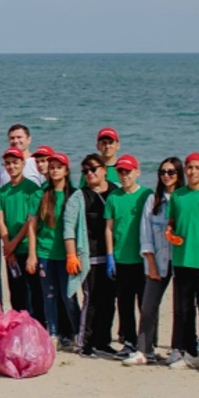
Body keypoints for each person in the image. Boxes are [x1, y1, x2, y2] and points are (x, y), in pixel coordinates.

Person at [122, 157, 182, 367]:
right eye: (163, 172)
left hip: (182, 259)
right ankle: (144, 350)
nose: (166, 176)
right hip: (158, 259)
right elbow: (145, 233)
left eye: (171, 172)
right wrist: (151, 261)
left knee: (181, 307)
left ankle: (177, 350)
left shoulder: (183, 198)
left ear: (179, 174)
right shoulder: (153, 200)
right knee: (148, 306)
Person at [166, 152, 199, 374]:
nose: (193, 172)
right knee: (184, 310)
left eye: (198, 168)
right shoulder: (178, 196)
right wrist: (169, 233)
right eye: (189, 167)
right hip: (182, 261)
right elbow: (171, 223)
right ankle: (189, 353)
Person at [66, 153, 119, 357]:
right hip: (90, 256)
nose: (90, 173)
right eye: (86, 171)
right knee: (91, 299)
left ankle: (103, 341)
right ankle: (85, 342)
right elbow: (69, 228)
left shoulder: (115, 191)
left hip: (112, 256)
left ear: (104, 169)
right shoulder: (80, 196)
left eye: (93, 169)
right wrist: (72, 255)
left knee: (109, 299)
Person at [29, 152, 80, 347]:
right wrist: (32, 254)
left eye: (59, 167)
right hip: (45, 253)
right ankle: (53, 333)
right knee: (49, 295)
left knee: (69, 296)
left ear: (66, 170)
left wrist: (77, 254)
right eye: (52, 167)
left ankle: (76, 333)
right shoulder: (40, 195)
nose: (54, 170)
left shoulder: (75, 195)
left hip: (67, 255)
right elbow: (32, 227)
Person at [104, 154, 152, 358]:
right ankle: (129, 343)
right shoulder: (114, 197)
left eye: (128, 171)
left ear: (137, 172)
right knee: (124, 304)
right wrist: (110, 255)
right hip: (121, 259)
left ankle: (146, 344)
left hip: (142, 260)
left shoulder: (147, 195)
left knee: (146, 305)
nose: (124, 175)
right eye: (121, 172)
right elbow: (109, 228)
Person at [0, 147, 43, 319]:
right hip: (10, 250)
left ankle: (36, 327)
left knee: (34, 292)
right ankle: (18, 327)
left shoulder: (32, 188)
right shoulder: (3, 191)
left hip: (26, 246)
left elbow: (30, 221)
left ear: (23, 163)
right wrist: (7, 245)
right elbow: (0, 220)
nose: (11, 166)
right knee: (16, 292)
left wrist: (13, 243)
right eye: (8, 164)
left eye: (15, 163)